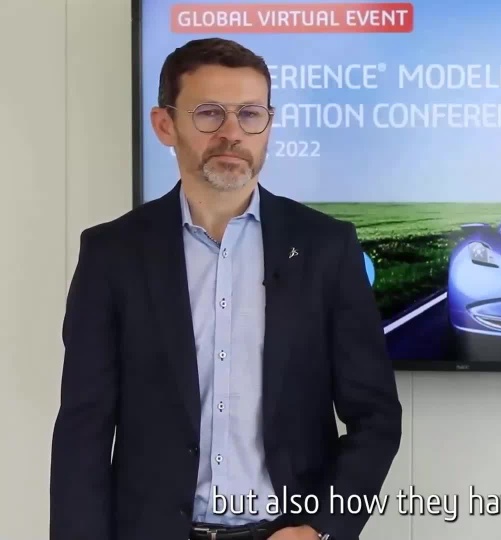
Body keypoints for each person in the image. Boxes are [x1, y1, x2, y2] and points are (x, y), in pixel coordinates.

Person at [50, 38, 402, 540]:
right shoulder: (113, 254)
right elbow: (82, 430)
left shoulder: (326, 247)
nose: (232, 133)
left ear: (269, 125)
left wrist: (323, 528)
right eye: (210, 113)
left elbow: (376, 415)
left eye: (250, 114)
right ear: (165, 125)